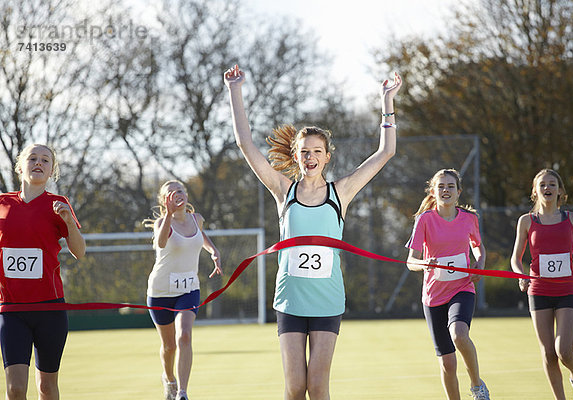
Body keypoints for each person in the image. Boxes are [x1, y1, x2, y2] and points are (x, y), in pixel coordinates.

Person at [224, 64, 401, 400]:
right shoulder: (283, 190)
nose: (310, 157)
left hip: (327, 301)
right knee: (294, 387)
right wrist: (235, 90)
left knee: (318, 388)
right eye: (304, 151)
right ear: (296, 156)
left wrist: (386, 102)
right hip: (290, 300)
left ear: (327, 157)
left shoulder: (341, 193)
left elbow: (386, 152)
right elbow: (246, 145)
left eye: (317, 151)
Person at [0, 144, 86, 400]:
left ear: (52, 170)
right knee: (15, 389)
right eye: (33, 158)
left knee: (46, 388)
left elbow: (79, 252)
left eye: (45, 160)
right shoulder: (2, 204)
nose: (39, 163)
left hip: (50, 309)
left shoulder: (58, 204)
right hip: (12, 310)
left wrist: (69, 221)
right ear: (20, 166)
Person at [510, 168, 573, 400]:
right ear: (535, 191)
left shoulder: (572, 219)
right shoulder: (526, 221)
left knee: (563, 350)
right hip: (538, 291)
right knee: (549, 354)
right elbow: (515, 258)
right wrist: (521, 275)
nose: (547, 188)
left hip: (566, 289)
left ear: (560, 191)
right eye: (543, 185)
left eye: (552, 184)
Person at [405, 168, 490, 400]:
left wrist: (479, 263)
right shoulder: (424, 220)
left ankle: (477, 386)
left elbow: (477, 246)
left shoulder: (469, 218)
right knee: (448, 363)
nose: (445, 190)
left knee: (459, 334)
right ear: (433, 191)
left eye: (450, 186)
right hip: (433, 297)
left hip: (462, 288)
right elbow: (410, 261)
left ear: (458, 192)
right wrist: (424, 264)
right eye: (441, 186)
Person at [145, 180, 222, 400]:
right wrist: (169, 215)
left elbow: (201, 237)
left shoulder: (197, 220)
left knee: (185, 336)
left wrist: (213, 251)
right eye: (170, 193)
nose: (176, 194)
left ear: (186, 195)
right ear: (164, 201)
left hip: (189, 289)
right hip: (160, 292)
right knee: (169, 346)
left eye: (179, 190)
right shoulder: (162, 223)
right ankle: (169, 379)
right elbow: (160, 243)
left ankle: (182, 392)